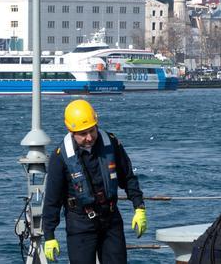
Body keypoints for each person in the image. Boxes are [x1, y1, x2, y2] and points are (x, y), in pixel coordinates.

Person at [42, 99, 147, 263]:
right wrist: (49, 235)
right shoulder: (60, 157)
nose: (89, 137)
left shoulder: (111, 144)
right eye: (83, 134)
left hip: (110, 219)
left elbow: (128, 178)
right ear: (71, 131)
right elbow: (52, 200)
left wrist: (139, 207)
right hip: (80, 224)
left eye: (92, 130)